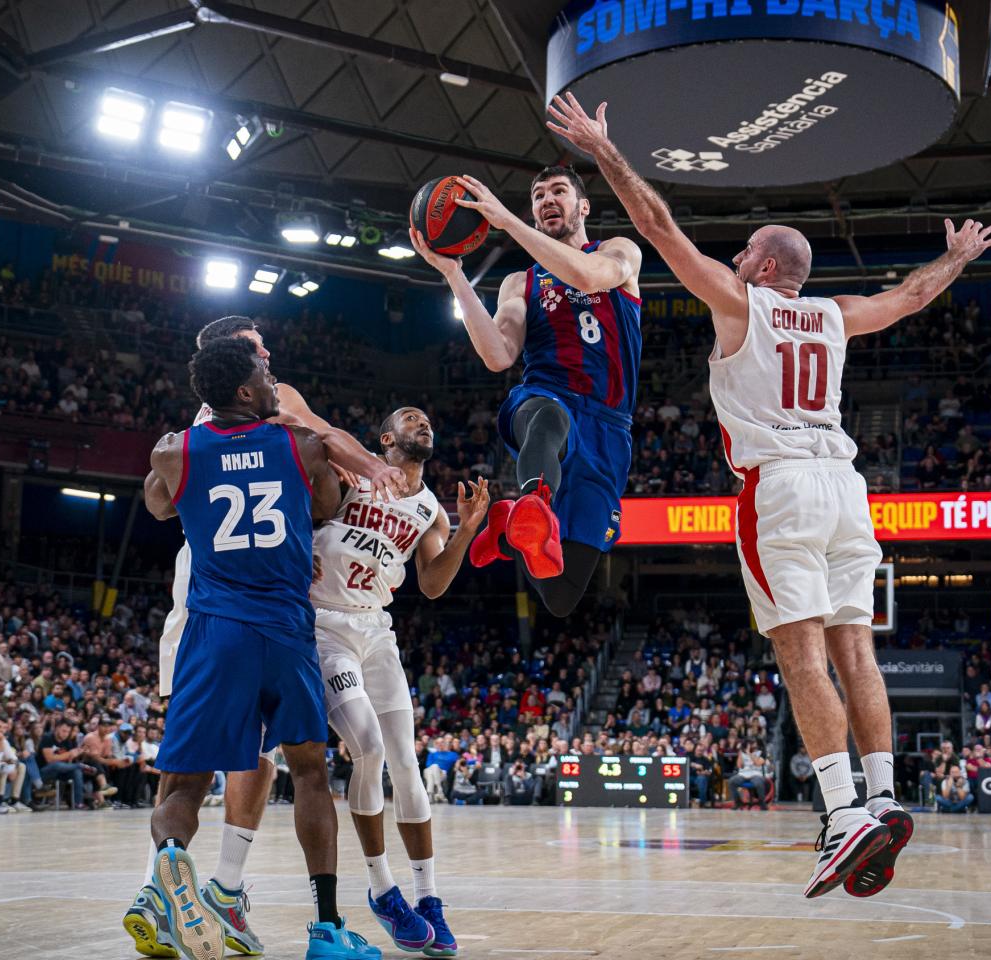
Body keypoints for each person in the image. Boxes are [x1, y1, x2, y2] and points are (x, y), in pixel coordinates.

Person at [547, 92, 991, 900]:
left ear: (759, 267)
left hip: (780, 484)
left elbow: (656, 227)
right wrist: (958, 256)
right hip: (849, 489)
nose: (737, 254)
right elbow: (914, 297)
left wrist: (603, 153)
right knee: (856, 648)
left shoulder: (739, 302)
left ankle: (842, 811)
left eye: (745, 249)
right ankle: (885, 795)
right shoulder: (834, 314)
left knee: (798, 655)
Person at [130, 316, 410, 959]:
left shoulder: (177, 449)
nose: (271, 376)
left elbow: (157, 504)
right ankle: (326, 928)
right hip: (284, 628)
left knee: (184, 783)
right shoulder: (297, 444)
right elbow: (326, 505)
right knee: (311, 773)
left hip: (213, 630)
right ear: (251, 392)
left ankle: (168, 870)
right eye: (262, 371)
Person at [411, 167, 644, 616]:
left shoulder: (618, 251)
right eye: (538, 195)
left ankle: (509, 527)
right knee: (549, 416)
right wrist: (455, 274)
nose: (546, 199)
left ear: (584, 206)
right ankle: (531, 502)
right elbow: (498, 354)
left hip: (608, 425)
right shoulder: (520, 282)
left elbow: (590, 278)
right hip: (543, 398)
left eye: (559, 191)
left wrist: (506, 222)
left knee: (560, 597)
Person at [313, 405, 488, 956]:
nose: (423, 423)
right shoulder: (352, 474)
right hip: (324, 624)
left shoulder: (430, 508)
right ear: (386, 438)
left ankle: (429, 897)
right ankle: (381, 887)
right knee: (366, 746)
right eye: (410, 419)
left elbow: (433, 583)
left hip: (377, 631)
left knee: (407, 766)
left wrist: (464, 530)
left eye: (428, 420)